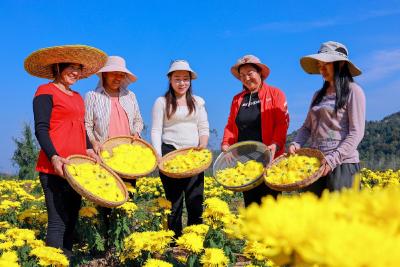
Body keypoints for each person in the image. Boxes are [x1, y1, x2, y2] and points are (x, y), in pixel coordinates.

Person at [25, 45, 107, 260]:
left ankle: (67, 261)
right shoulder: (45, 92)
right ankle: (52, 262)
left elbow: (80, 127)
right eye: (71, 67)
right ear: (58, 67)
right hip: (54, 167)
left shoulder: (78, 97)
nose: (76, 72)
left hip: (77, 168)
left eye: (79, 68)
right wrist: (54, 156)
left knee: (71, 219)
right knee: (57, 221)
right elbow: (41, 129)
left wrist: (89, 149)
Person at [288, 41, 366, 196]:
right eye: (319, 65)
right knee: (316, 216)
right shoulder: (318, 95)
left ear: (341, 64)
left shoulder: (353, 91)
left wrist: (333, 159)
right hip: (316, 165)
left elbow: (356, 133)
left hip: (342, 166)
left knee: (341, 217)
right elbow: (306, 127)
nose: (321, 69)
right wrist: (296, 143)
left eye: (326, 64)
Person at [151, 60, 209, 238]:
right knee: (173, 201)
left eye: (185, 79)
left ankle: (194, 238)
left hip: (193, 156)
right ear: (170, 80)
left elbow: (203, 127)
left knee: (195, 199)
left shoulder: (197, 101)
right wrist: (158, 156)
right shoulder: (161, 102)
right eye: (177, 79)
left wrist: (202, 145)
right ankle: (173, 240)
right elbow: (156, 129)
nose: (182, 83)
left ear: (190, 80)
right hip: (170, 153)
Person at [221, 55, 289, 207]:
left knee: (271, 205)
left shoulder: (275, 94)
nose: (246, 78)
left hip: (270, 159)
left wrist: (275, 144)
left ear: (260, 73)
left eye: (250, 73)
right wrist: (226, 143)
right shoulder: (237, 99)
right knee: (251, 205)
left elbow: (282, 123)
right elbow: (231, 125)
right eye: (242, 75)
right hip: (245, 161)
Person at [85, 55, 143, 153]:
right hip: (103, 152)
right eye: (114, 74)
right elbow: (87, 125)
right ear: (105, 74)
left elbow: (138, 120)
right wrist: (93, 142)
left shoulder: (130, 96)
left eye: (121, 75)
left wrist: (136, 132)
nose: (118, 78)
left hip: (128, 151)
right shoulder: (92, 96)